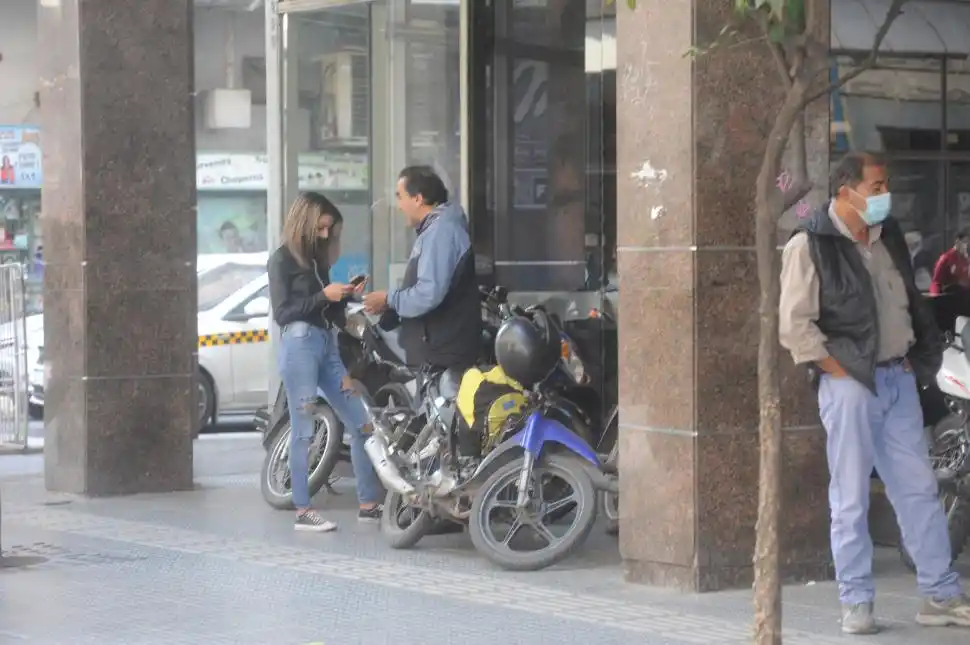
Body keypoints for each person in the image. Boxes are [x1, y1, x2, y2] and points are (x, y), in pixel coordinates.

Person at [779, 151, 970, 634]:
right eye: (877, 186)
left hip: (898, 380)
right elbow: (795, 326)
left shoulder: (889, 240)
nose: (885, 195)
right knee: (850, 497)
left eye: (885, 186)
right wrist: (836, 370)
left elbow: (907, 300)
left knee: (920, 490)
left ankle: (940, 595)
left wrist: (913, 356)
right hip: (849, 385)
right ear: (846, 192)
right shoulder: (810, 245)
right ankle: (856, 602)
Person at [268, 191, 383, 532]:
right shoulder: (281, 260)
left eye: (329, 230)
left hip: (326, 345)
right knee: (303, 428)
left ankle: (368, 504)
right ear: (304, 222)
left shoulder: (319, 262)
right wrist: (322, 295)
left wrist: (348, 295)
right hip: (300, 344)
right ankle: (303, 510)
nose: (324, 235)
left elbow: (329, 312)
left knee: (362, 422)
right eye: (321, 228)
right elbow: (283, 313)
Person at [362, 165, 480, 371]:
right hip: (436, 349)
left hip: (443, 354)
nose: (398, 206)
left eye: (400, 196)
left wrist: (390, 299)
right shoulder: (436, 229)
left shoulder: (441, 232)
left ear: (418, 198)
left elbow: (428, 293)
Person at [930, 229, 970, 295]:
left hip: (965, 296)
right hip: (950, 295)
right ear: (957, 241)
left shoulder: (966, 259)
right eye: (965, 242)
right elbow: (936, 281)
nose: (967, 245)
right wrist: (936, 297)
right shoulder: (946, 258)